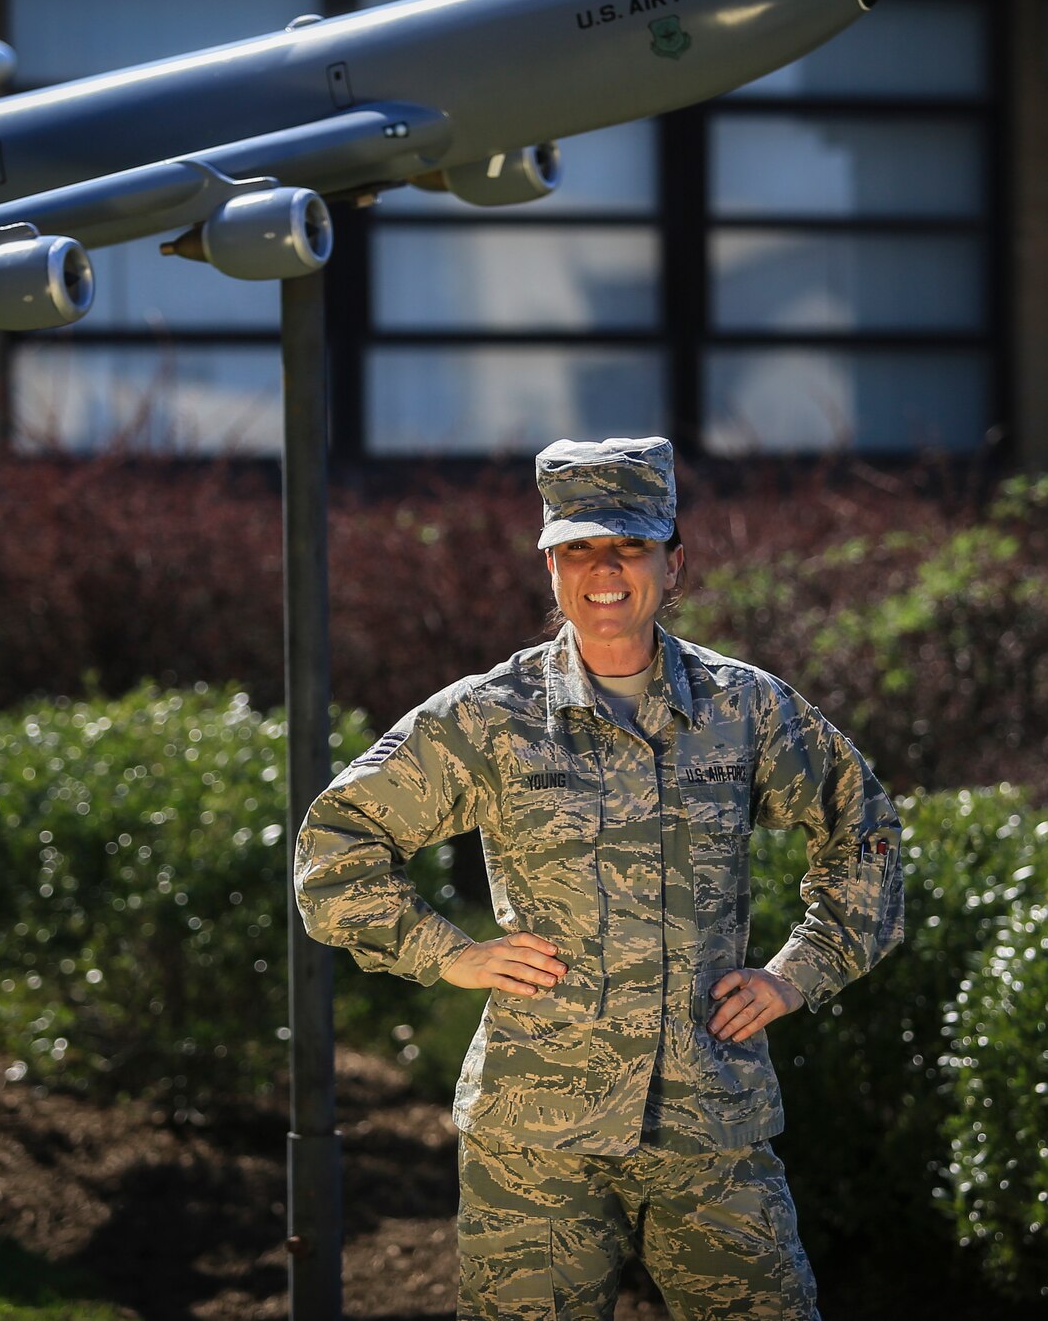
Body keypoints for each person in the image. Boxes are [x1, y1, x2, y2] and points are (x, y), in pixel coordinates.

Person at [294, 436, 904, 1320]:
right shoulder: (490, 718)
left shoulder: (746, 710)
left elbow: (867, 831)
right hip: (536, 1142)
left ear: (675, 559)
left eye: (631, 544)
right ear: (550, 565)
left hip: (711, 1132)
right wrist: (449, 954)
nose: (604, 569)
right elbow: (336, 840)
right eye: (579, 546)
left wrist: (795, 973)